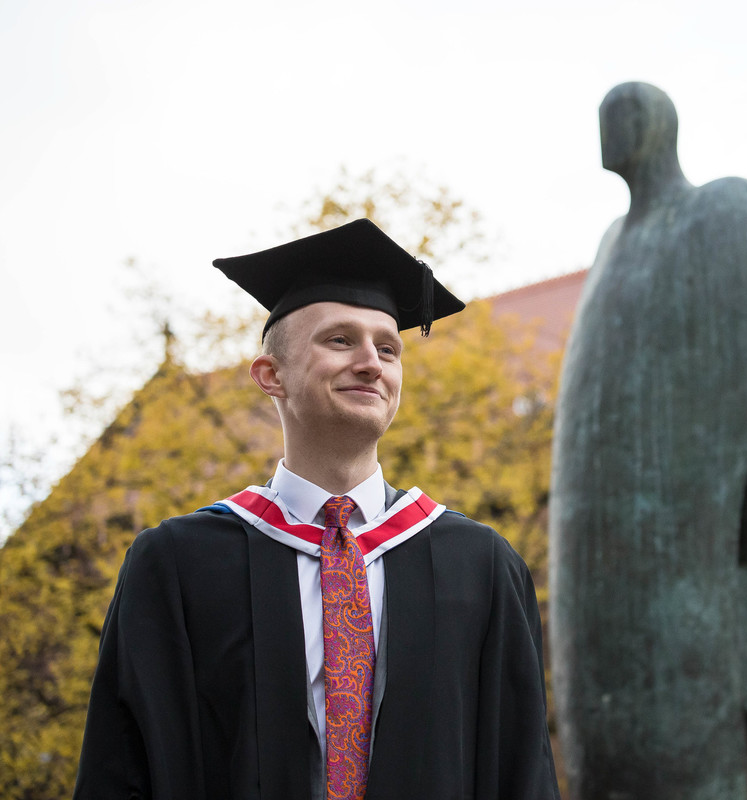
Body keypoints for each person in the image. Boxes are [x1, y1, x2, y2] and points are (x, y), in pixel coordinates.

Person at [74, 219, 560, 800]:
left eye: (388, 348)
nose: (371, 363)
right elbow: (121, 772)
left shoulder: (481, 567)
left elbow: (522, 772)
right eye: (339, 340)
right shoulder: (177, 565)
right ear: (270, 376)